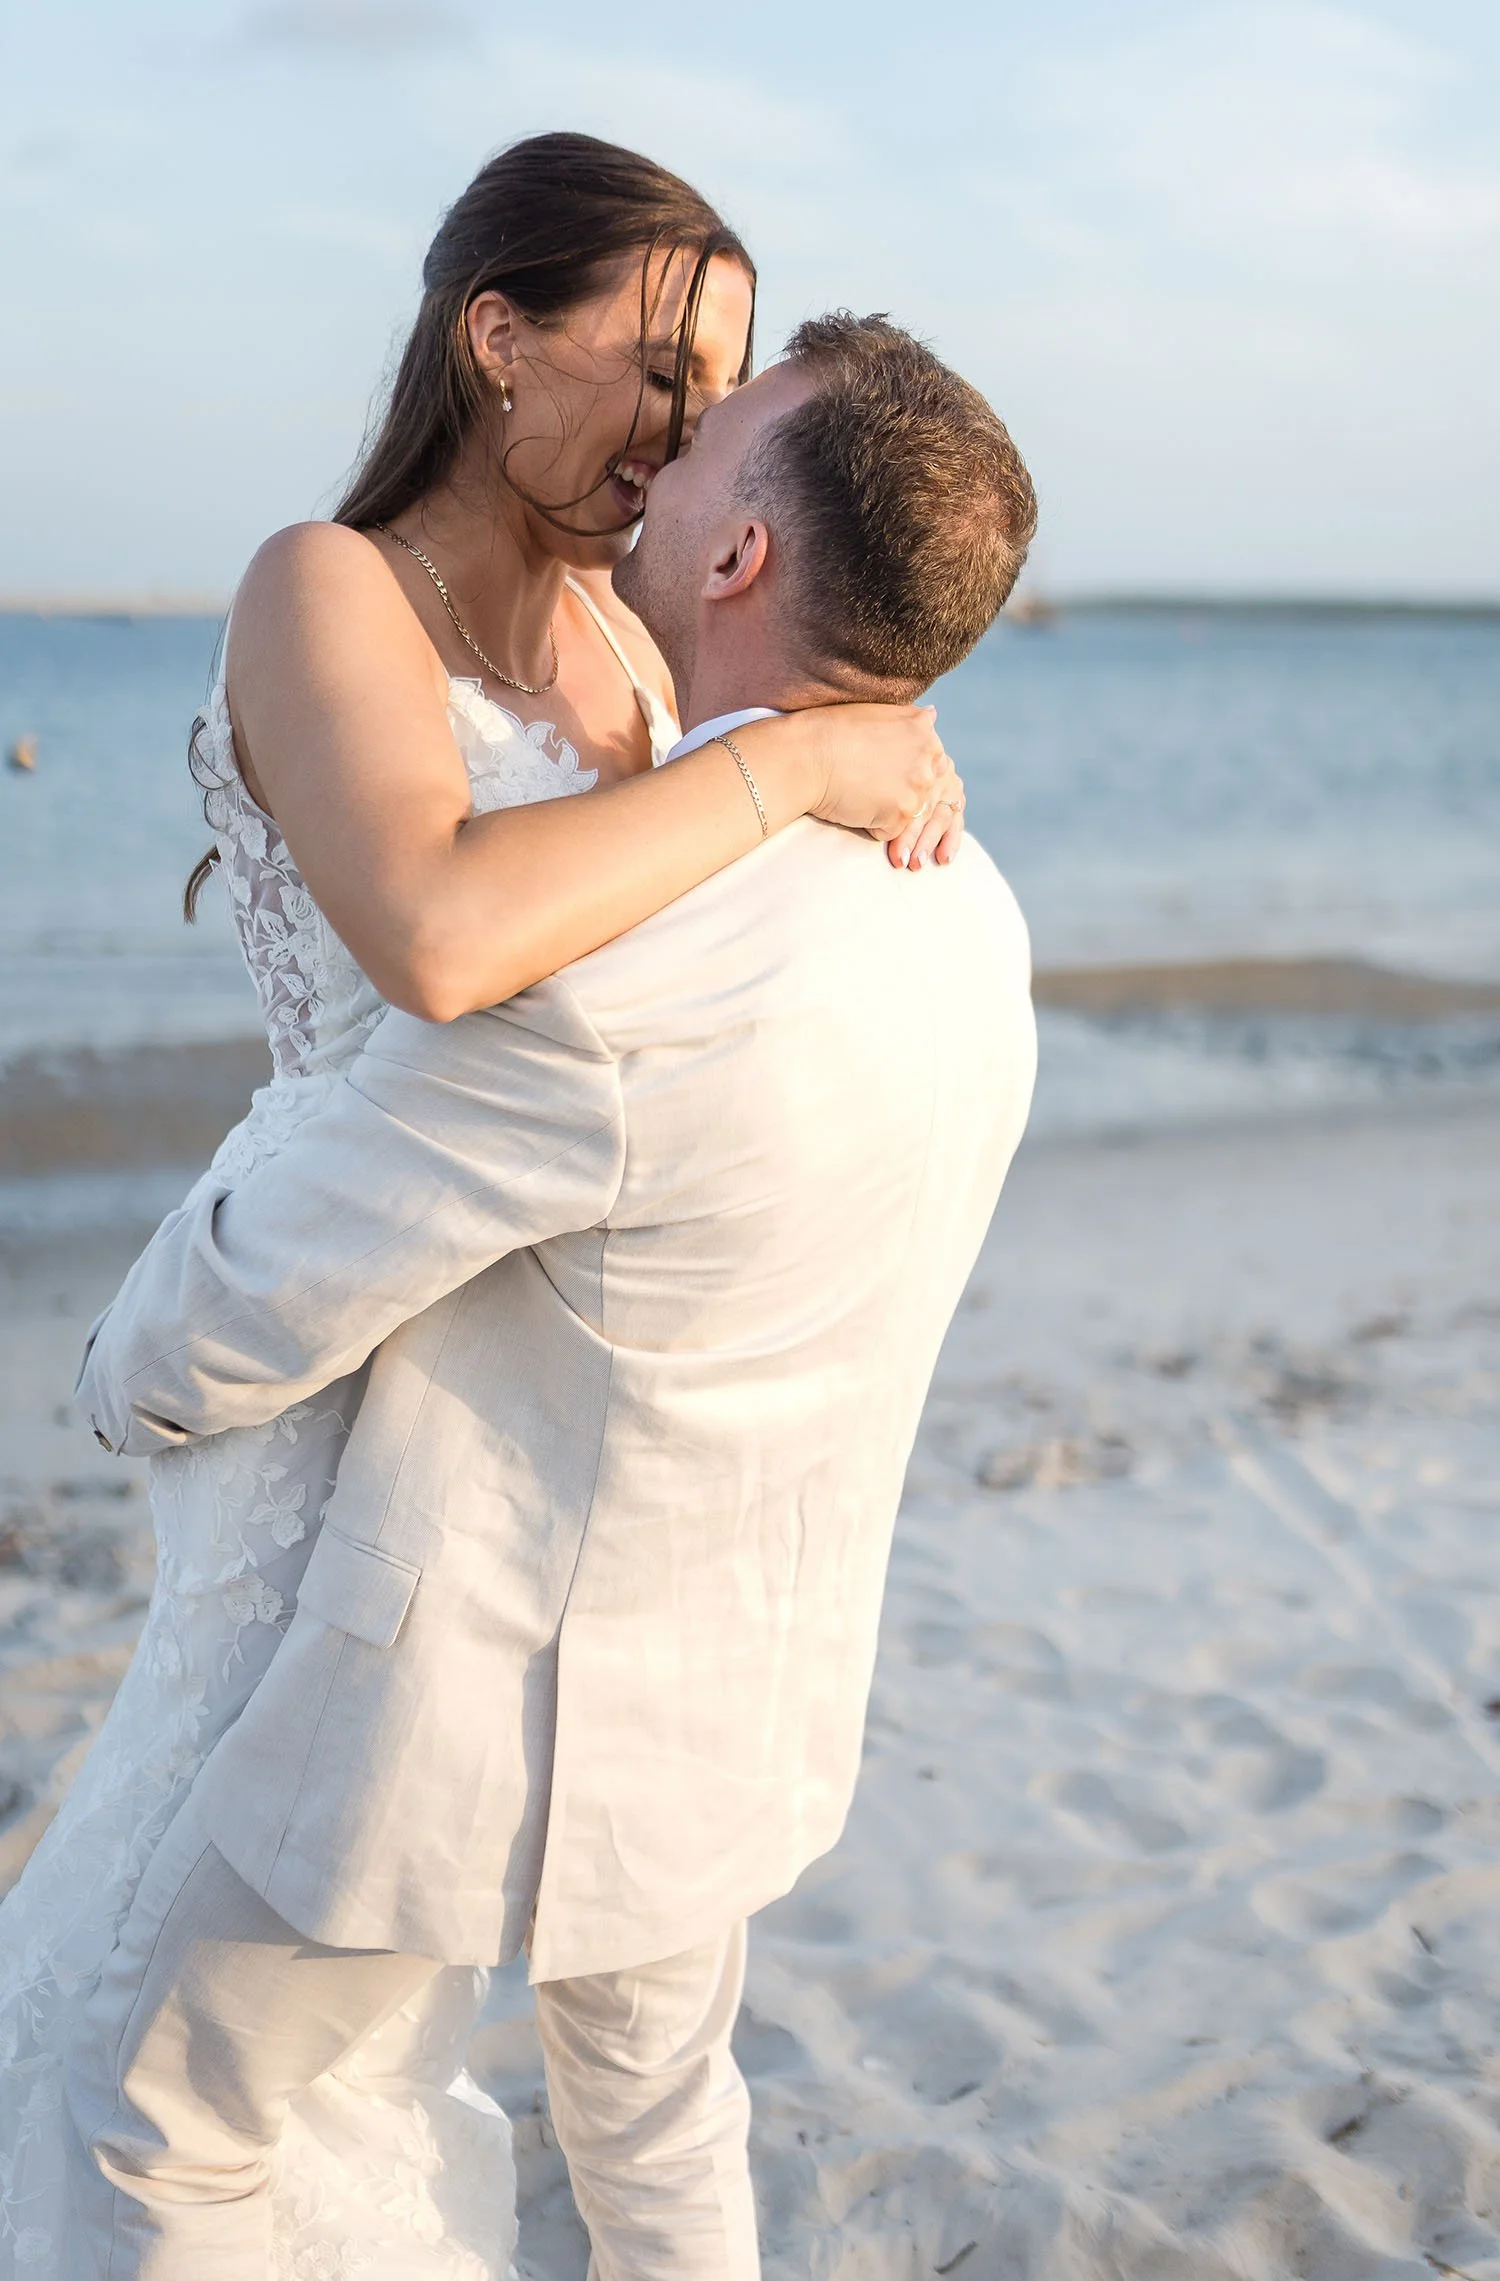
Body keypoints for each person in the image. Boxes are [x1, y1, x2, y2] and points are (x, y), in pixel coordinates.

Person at [0, 138, 962, 2281]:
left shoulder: (638, 645)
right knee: (183, 2033)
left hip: (553, 1449)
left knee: (537, 2075)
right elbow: (437, 937)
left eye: (716, 390)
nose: (688, 432)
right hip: (328, 1390)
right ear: (491, 333)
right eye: (650, 367)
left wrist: (855, 737)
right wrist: (793, 767)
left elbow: (699, 1006)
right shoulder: (319, 589)